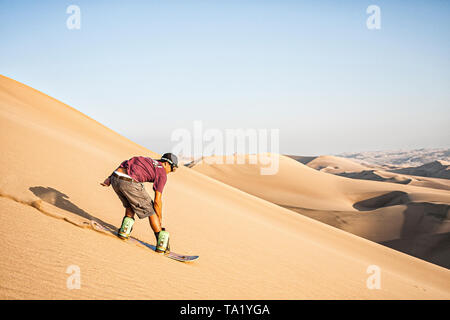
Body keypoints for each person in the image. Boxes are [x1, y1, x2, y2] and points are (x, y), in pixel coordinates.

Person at [100, 153, 178, 251]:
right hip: (129, 181)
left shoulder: (148, 160)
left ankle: (125, 230)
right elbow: (157, 200)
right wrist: (159, 220)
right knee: (150, 209)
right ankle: (162, 242)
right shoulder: (162, 172)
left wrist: (109, 178)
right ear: (166, 163)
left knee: (130, 203)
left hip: (115, 178)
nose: (171, 172)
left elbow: (125, 163)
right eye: (173, 169)